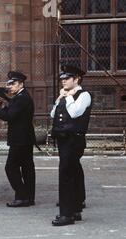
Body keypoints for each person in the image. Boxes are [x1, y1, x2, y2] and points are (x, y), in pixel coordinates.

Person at [0, 71, 36, 207]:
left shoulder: (22, 98)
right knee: (27, 168)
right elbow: (11, 112)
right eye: (9, 84)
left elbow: (9, 116)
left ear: (21, 84)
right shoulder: (20, 97)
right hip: (24, 138)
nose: (10, 86)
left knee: (11, 167)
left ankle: (22, 196)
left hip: (20, 139)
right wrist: (1, 105)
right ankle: (29, 197)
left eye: (13, 84)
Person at [50, 65, 92, 226]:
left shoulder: (84, 95)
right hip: (63, 139)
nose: (63, 81)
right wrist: (60, 98)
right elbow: (53, 114)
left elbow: (75, 113)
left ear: (77, 79)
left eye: (66, 79)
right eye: (62, 79)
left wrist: (68, 97)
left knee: (65, 175)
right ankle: (75, 210)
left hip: (74, 139)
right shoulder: (64, 95)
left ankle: (66, 215)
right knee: (72, 172)